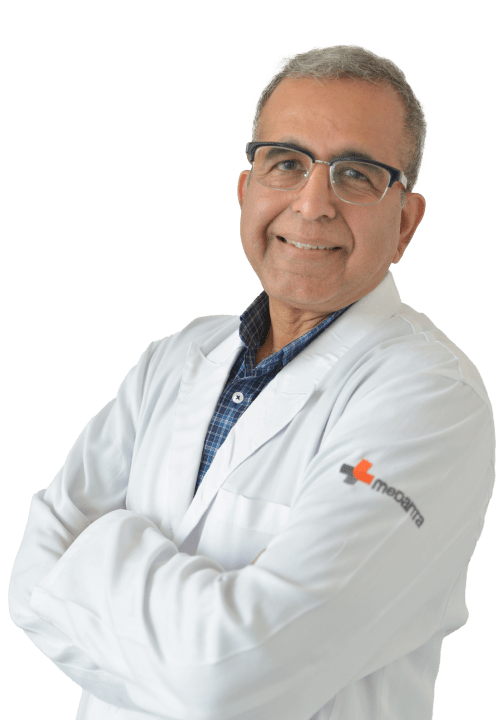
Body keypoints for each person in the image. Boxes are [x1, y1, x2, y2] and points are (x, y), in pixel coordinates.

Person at [8, 42, 495, 720]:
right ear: (246, 191)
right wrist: (195, 651)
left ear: (405, 222)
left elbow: (234, 678)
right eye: (287, 163)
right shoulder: (176, 356)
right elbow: (29, 581)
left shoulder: (432, 399)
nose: (313, 204)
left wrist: (96, 561)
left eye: (356, 175)